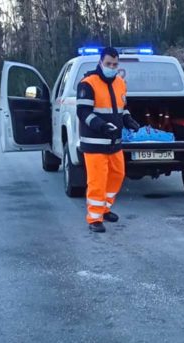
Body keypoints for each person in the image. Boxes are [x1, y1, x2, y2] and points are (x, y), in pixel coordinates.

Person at [76, 47, 141, 233]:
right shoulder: (88, 83)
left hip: (115, 143)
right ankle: (94, 218)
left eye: (114, 64)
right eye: (108, 64)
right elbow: (83, 112)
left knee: (117, 175)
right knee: (97, 181)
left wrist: (128, 120)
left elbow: (122, 108)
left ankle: (104, 209)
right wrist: (102, 126)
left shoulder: (120, 82)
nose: (111, 67)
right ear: (100, 63)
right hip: (95, 143)